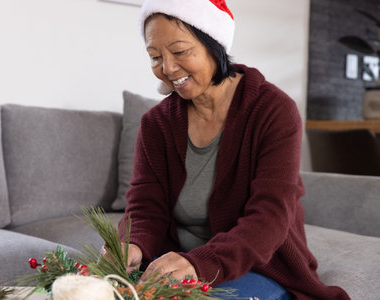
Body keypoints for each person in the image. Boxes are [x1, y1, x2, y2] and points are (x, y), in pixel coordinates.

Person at [115, 0, 350, 299]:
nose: (168, 68)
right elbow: (145, 208)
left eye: (179, 51)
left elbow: (269, 219)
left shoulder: (273, 111)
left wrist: (198, 264)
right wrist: (132, 244)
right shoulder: (156, 124)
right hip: (176, 263)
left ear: (213, 43)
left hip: (260, 265)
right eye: (155, 56)